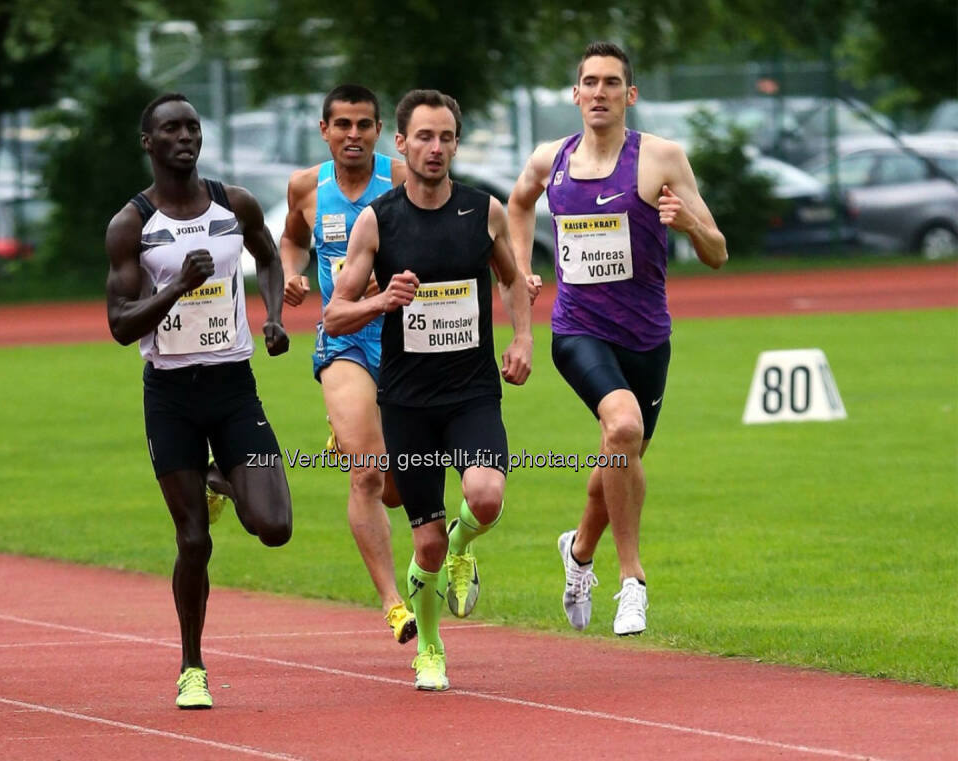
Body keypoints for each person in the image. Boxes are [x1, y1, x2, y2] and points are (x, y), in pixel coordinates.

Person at [508, 42, 727, 637]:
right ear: (575, 94)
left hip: (648, 339)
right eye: (589, 82)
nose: (598, 92)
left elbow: (717, 251)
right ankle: (632, 582)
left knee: (619, 456)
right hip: (578, 331)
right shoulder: (550, 160)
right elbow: (517, 206)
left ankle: (578, 551)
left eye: (611, 83)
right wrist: (523, 266)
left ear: (629, 95)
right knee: (623, 428)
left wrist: (689, 223)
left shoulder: (660, 158)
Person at [324, 89, 533, 691]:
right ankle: (431, 649)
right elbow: (334, 316)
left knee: (487, 495)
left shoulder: (483, 212)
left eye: (445, 137)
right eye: (423, 137)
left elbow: (514, 280)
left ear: (456, 144)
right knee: (427, 542)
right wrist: (381, 300)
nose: (435, 148)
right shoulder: (378, 220)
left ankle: (469, 546)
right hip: (408, 404)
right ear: (402, 144)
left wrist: (521, 339)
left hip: (472, 393)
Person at [105, 93, 293, 709]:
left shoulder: (234, 204)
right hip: (171, 396)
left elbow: (268, 257)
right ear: (148, 142)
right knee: (193, 541)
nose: (184, 136)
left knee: (274, 528)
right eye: (170, 129)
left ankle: (222, 477)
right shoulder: (131, 225)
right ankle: (192, 665)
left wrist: (272, 315)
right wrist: (178, 289)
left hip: (234, 387)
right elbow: (120, 323)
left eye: (192, 127)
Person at [279, 85, 417, 645]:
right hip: (344, 340)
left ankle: (350, 435)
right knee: (366, 472)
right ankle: (392, 603)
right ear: (324, 130)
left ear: (379, 130)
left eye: (364, 125)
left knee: (397, 487)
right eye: (342, 125)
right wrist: (292, 273)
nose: (353, 135)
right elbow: (291, 239)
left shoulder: (402, 179)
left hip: (405, 340)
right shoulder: (306, 187)